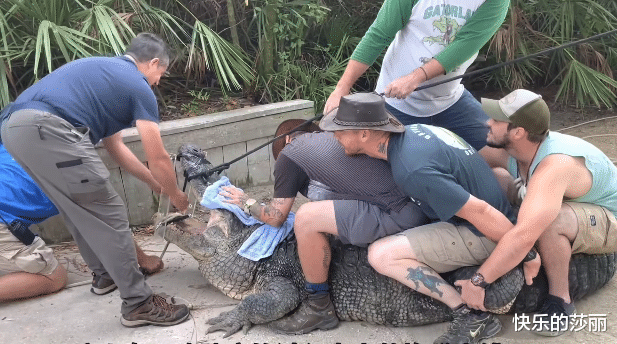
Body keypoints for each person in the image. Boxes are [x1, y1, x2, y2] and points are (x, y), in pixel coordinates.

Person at [0, 33, 190, 327]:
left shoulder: (104, 73)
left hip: (15, 129)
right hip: (47, 127)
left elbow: (117, 148)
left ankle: (106, 275)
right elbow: (158, 155)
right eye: (160, 73)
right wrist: (176, 194)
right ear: (152, 63)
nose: (158, 82)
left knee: (77, 207)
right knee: (108, 212)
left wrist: (157, 185)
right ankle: (139, 303)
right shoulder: (137, 86)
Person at [320, 92, 517, 344]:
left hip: (485, 232)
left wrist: (524, 250)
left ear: (365, 134)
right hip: (485, 212)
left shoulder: (411, 169)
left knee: (380, 254)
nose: (334, 135)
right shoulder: (416, 131)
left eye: (340, 130)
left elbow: (483, 214)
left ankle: (470, 315)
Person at [217, 119, 429, 334]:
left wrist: (246, 201)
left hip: (399, 216)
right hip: (419, 206)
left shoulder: (290, 153)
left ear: (288, 140)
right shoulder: (335, 140)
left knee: (306, 219)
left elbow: (276, 217)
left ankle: (319, 307)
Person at [0, 117, 165, 310]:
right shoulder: (73, 167)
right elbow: (108, 223)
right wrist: (144, 260)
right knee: (53, 277)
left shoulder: (15, 138)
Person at [457, 89, 617, 336]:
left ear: (518, 132)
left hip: (607, 218)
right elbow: (464, 165)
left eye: (497, 120)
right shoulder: (513, 151)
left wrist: (478, 281)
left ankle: (560, 301)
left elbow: (523, 236)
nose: (487, 122)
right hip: (555, 196)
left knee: (551, 222)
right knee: (492, 176)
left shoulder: (554, 166)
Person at [324, 0, 509, 152]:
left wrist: (415, 78)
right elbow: (378, 35)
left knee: (502, 148)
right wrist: (342, 87)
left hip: (450, 102)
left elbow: (464, 46)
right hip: (394, 105)